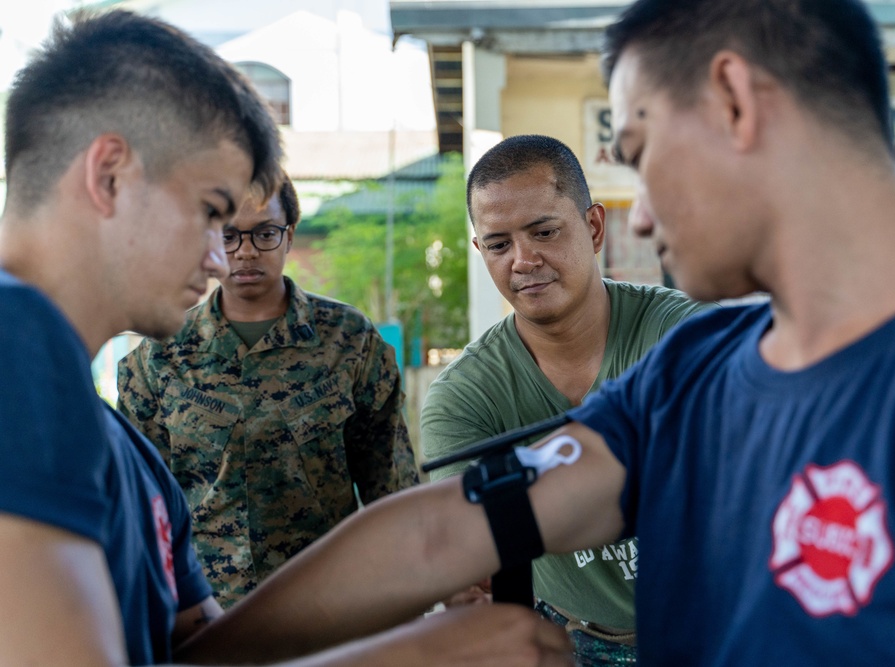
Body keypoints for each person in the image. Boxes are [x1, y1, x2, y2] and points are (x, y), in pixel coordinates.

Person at [177, 0, 895, 663]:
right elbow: (444, 531)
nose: (640, 212)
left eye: (639, 152)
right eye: (497, 242)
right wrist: (203, 657)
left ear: (733, 102)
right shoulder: (694, 372)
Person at [0, 9, 571, 666]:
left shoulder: (116, 443)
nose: (223, 258)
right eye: (212, 212)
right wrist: (413, 656)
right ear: (110, 176)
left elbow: (205, 648)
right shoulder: (20, 347)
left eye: (251, 230)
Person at [421, 134, 705, 664]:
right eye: (499, 244)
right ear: (481, 252)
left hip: (715, 628)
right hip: (572, 642)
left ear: (593, 227)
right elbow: (464, 549)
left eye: (544, 232)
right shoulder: (464, 398)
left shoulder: (681, 335)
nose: (524, 260)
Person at [117, 173, 418, 608]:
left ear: (290, 236)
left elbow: (391, 486)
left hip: (327, 606)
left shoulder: (349, 340)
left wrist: (409, 600)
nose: (246, 251)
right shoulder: (160, 356)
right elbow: (143, 507)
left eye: (265, 233)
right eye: (229, 235)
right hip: (204, 613)